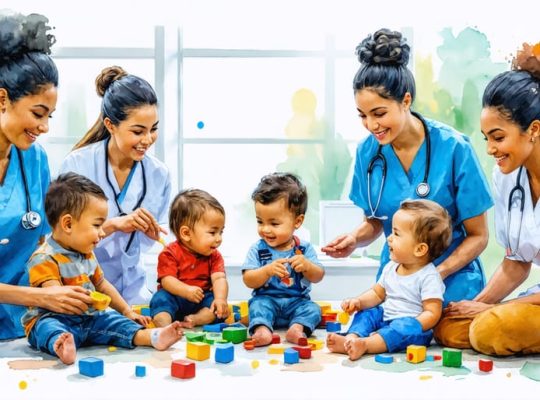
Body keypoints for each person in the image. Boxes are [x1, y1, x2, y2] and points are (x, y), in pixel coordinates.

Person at [321, 28, 493, 306]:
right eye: (363, 116)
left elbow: (479, 236)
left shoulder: (454, 148)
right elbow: (376, 222)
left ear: (406, 100)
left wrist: (432, 275)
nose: (371, 125)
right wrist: (354, 239)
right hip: (396, 285)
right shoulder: (368, 152)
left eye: (379, 113)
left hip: (451, 281)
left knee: (448, 341)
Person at [435, 42, 540, 355]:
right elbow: (515, 264)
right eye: (486, 139)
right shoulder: (507, 178)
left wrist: (490, 312)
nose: (490, 149)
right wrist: (477, 304)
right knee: (448, 326)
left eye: (498, 137)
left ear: (533, 129)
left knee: (488, 328)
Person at [22, 173, 183, 365]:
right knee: (46, 327)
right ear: (67, 224)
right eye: (97, 225)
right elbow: (56, 296)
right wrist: (86, 298)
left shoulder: (86, 253)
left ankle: (151, 337)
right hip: (57, 317)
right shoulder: (44, 258)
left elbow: (102, 284)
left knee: (113, 319)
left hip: (88, 317)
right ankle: (61, 344)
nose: (101, 233)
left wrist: (126, 311)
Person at [0, 12, 92, 340]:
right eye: (38, 114)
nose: (44, 127)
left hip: (19, 325)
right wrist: (41, 297)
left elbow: (45, 240)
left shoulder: (34, 158)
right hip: (32, 302)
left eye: (50, 116)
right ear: (2, 99)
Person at [59, 66, 171, 305]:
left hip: (135, 291)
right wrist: (113, 225)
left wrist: (151, 233)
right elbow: (60, 238)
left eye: (154, 129)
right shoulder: (78, 165)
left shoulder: (158, 174)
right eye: (138, 131)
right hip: (82, 288)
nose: (147, 140)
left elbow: (150, 241)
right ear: (110, 125)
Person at [327, 199, 451, 360]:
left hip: (409, 326)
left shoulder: (429, 276)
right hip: (386, 316)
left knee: (399, 330)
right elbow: (377, 294)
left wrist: (413, 325)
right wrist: (358, 302)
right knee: (367, 313)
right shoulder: (391, 267)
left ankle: (366, 345)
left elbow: (432, 312)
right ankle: (352, 338)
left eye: (396, 234)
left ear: (420, 249)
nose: (389, 238)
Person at [242, 173, 325, 346]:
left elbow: (318, 276)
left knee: (314, 309)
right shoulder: (258, 249)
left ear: (297, 221)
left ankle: (297, 328)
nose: (265, 229)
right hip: (266, 301)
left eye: (274, 223)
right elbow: (248, 279)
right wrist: (266, 271)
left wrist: (307, 266)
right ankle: (262, 329)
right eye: (260, 221)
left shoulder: (304, 248)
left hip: (297, 303)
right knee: (256, 307)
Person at [150, 189, 229, 328]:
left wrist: (220, 299)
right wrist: (186, 291)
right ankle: (165, 326)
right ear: (186, 233)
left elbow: (219, 278)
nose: (219, 239)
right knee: (160, 300)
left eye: (221, 232)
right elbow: (167, 281)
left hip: (201, 298)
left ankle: (195, 319)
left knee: (215, 308)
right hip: (174, 296)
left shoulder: (214, 255)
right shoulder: (169, 253)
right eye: (213, 232)